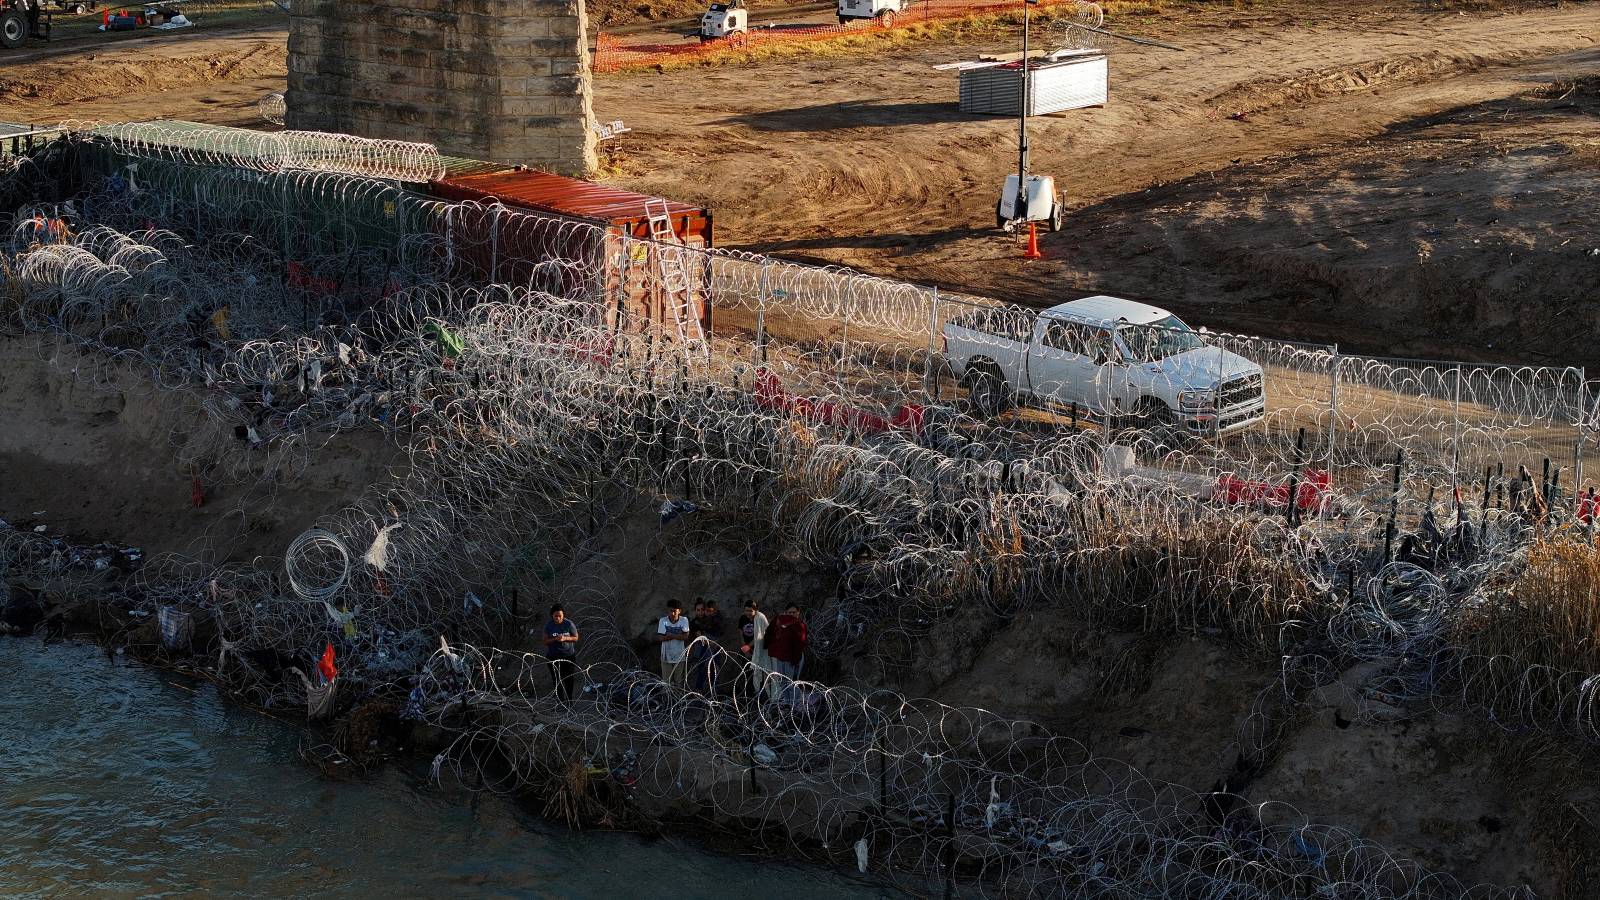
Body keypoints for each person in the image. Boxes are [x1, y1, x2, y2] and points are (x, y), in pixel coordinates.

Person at [764, 603, 808, 689]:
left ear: (798, 613)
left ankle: (793, 701)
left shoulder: (800, 625)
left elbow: (801, 642)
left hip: (794, 657)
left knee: (791, 682)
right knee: (783, 682)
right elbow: (769, 634)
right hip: (781, 657)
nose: (791, 615)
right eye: (789, 613)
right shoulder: (778, 622)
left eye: (793, 612)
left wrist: (795, 660)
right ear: (785, 612)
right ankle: (787, 701)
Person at [543, 604, 580, 702]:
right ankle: (560, 701)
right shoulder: (549, 626)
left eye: (560, 616)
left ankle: (569, 701)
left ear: (563, 615)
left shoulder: (568, 624)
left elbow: (576, 638)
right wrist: (555, 639)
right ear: (552, 616)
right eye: (556, 616)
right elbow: (545, 641)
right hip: (553, 657)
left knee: (569, 679)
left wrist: (565, 638)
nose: (558, 618)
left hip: (568, 656)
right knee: (557, 680)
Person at [689, 599, 726, 694]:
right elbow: (702, 639)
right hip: (702, 650)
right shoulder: (695, 622)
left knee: (715, 669)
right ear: (695, 610)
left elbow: (719, 632)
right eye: (698, 610)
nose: (701, 612)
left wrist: (714, 641)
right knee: (702, 670)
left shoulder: (712, 619)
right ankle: (699, 691)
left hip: (715, 649)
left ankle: (714, 691)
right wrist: (712, 641)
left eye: (702, 609)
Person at [738, 600, 771, 696]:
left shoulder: (760, 618)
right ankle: (751, 695)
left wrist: (748, 647)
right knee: (749, 672)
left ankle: (763, 695)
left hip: (760, 650)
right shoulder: (744, 618)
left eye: (750, 611)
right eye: (746, 610)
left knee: (762, 672)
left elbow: (760, 637)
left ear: (755, 610)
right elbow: (741, 633)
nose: (748, 613)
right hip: (748, 650)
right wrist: (745, 647)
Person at [657, 601, 692, 687]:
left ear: (679, 611)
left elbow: (686, 636)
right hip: (666, 656)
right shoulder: (663, 621)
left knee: (678, 682)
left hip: (679, 655)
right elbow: (660, 638)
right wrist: (678, 635)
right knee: (666, 683)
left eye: (674, 611)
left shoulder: (684, 620)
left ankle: (677, 699)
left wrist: (670, 635)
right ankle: (667, 699)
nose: (672, 613)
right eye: (670, 610)